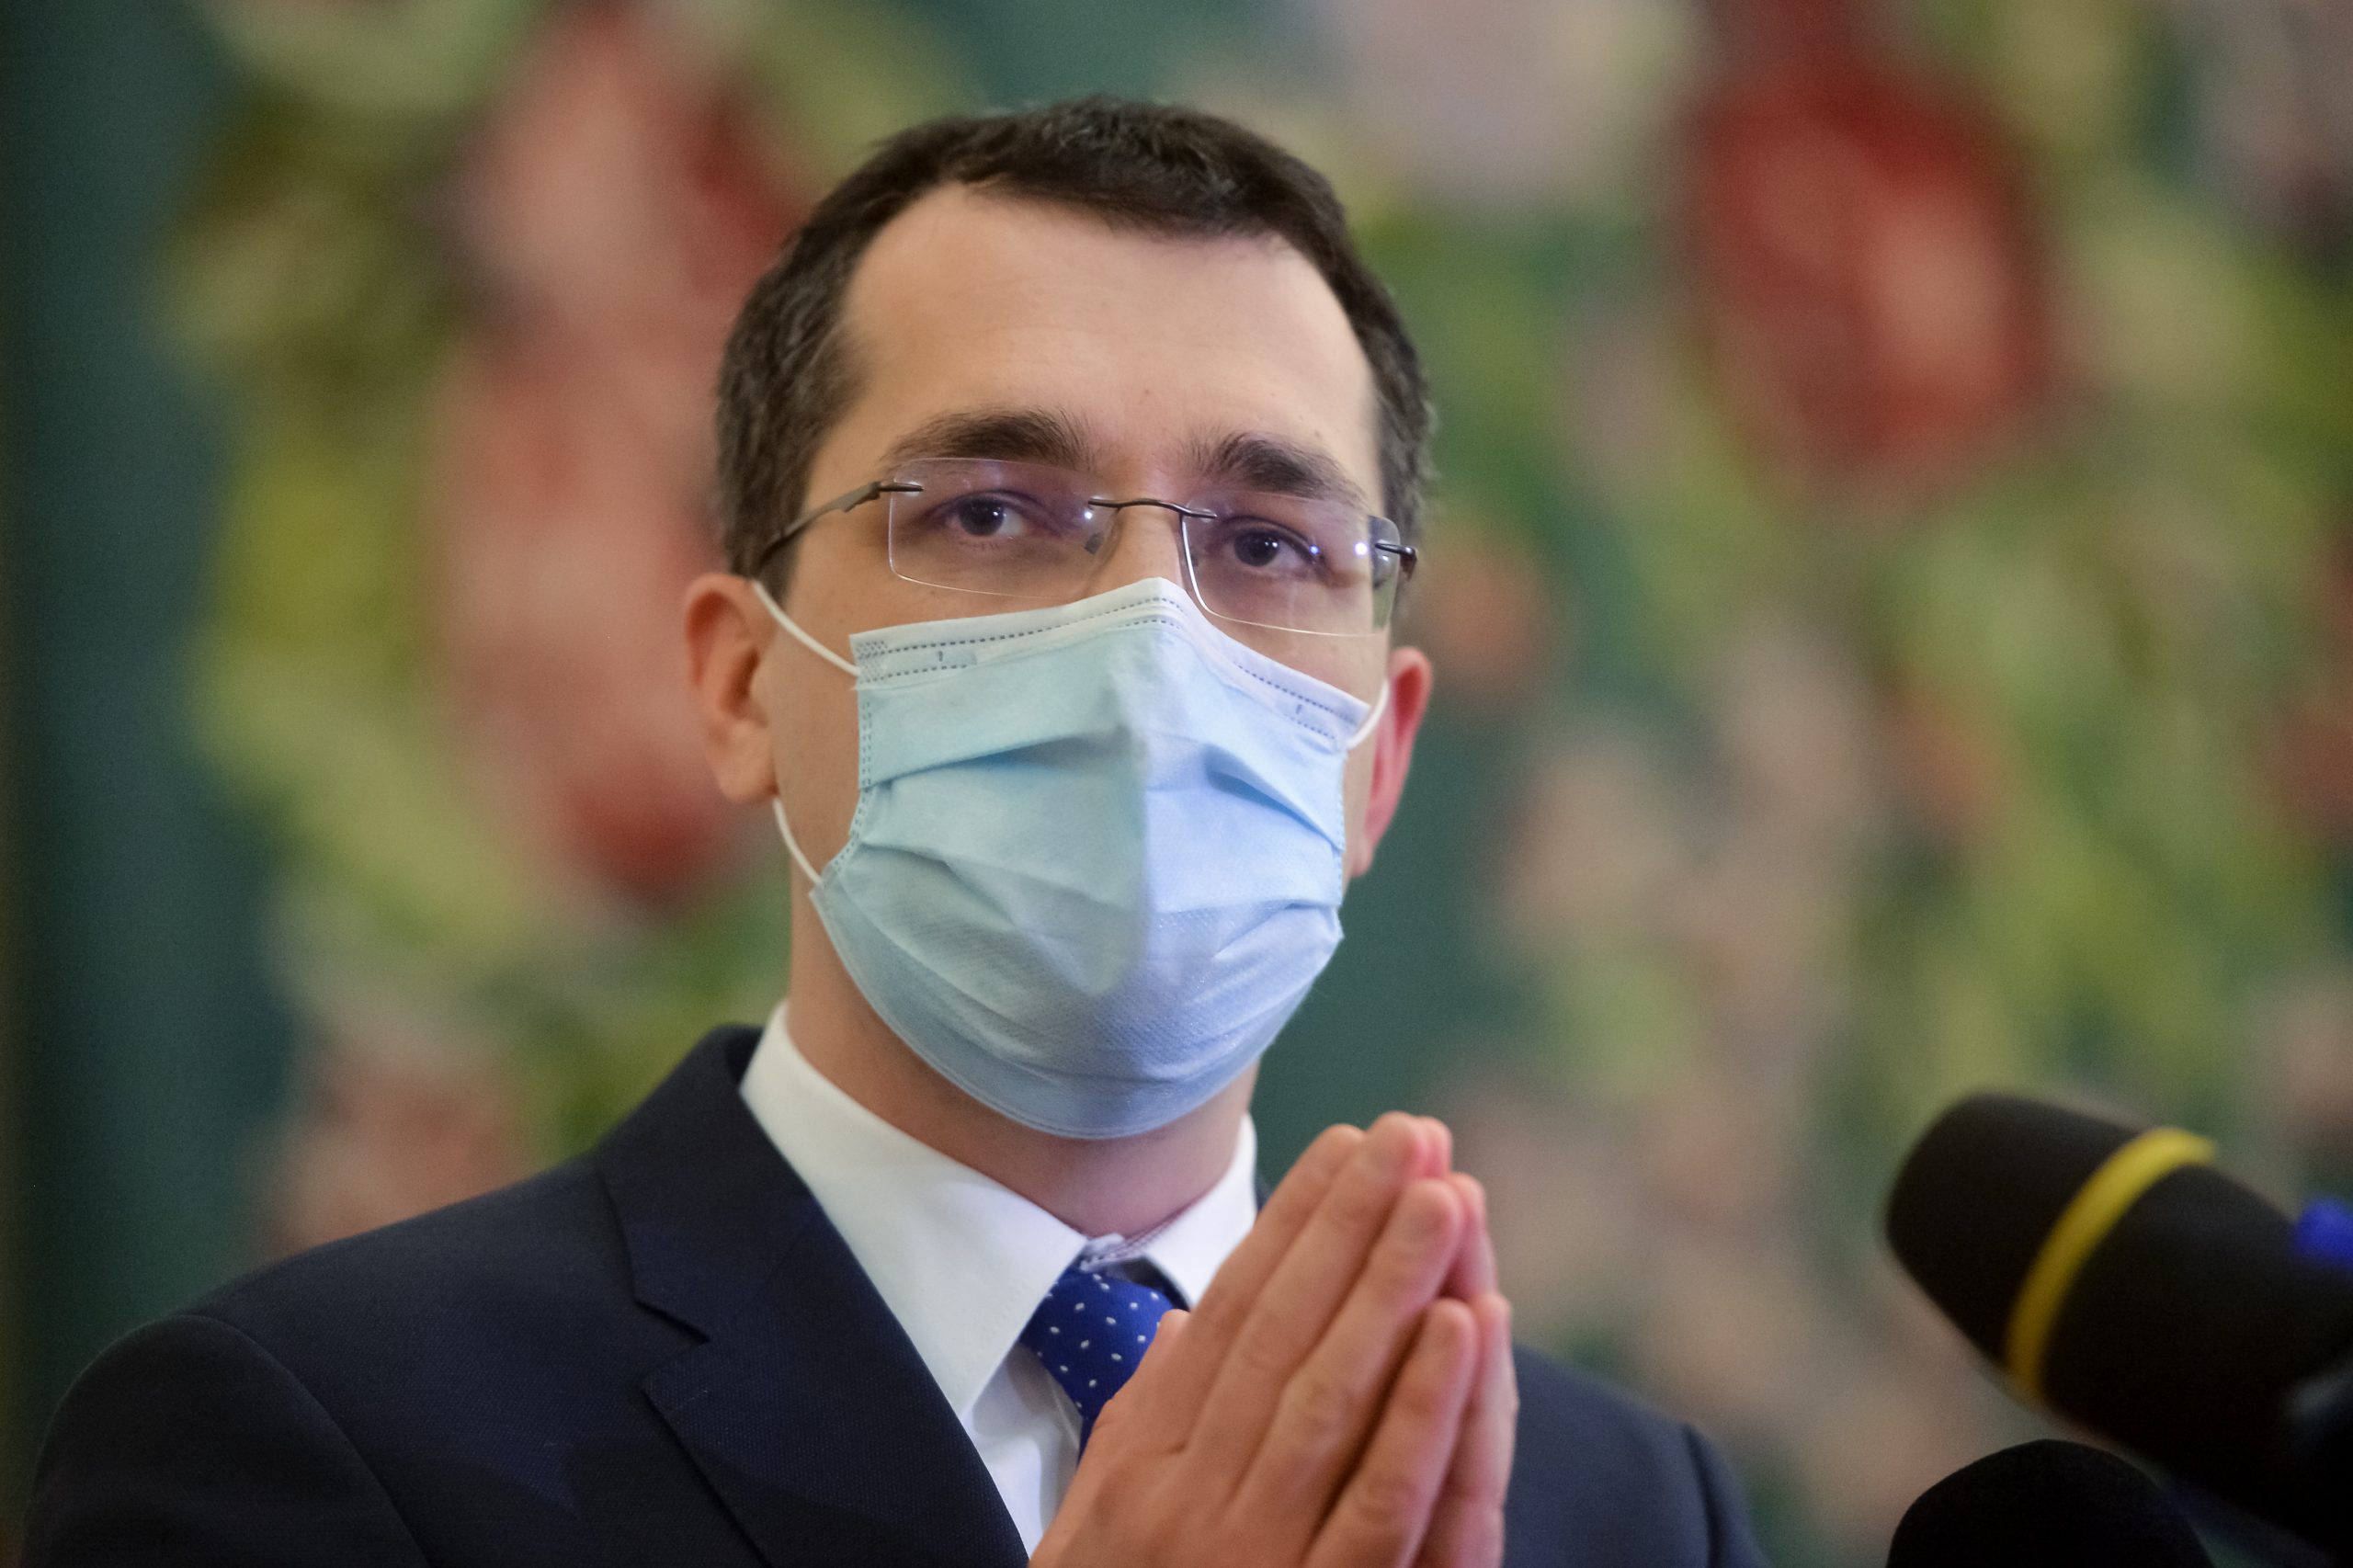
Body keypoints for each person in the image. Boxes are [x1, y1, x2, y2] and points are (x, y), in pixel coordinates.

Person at [24, 97, 1766, 1567]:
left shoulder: (1626, 1510)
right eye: (993, 512)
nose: (1147, 648)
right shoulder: (304, 1443)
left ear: (1378, 765)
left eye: (1266, 544)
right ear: (741, 685)